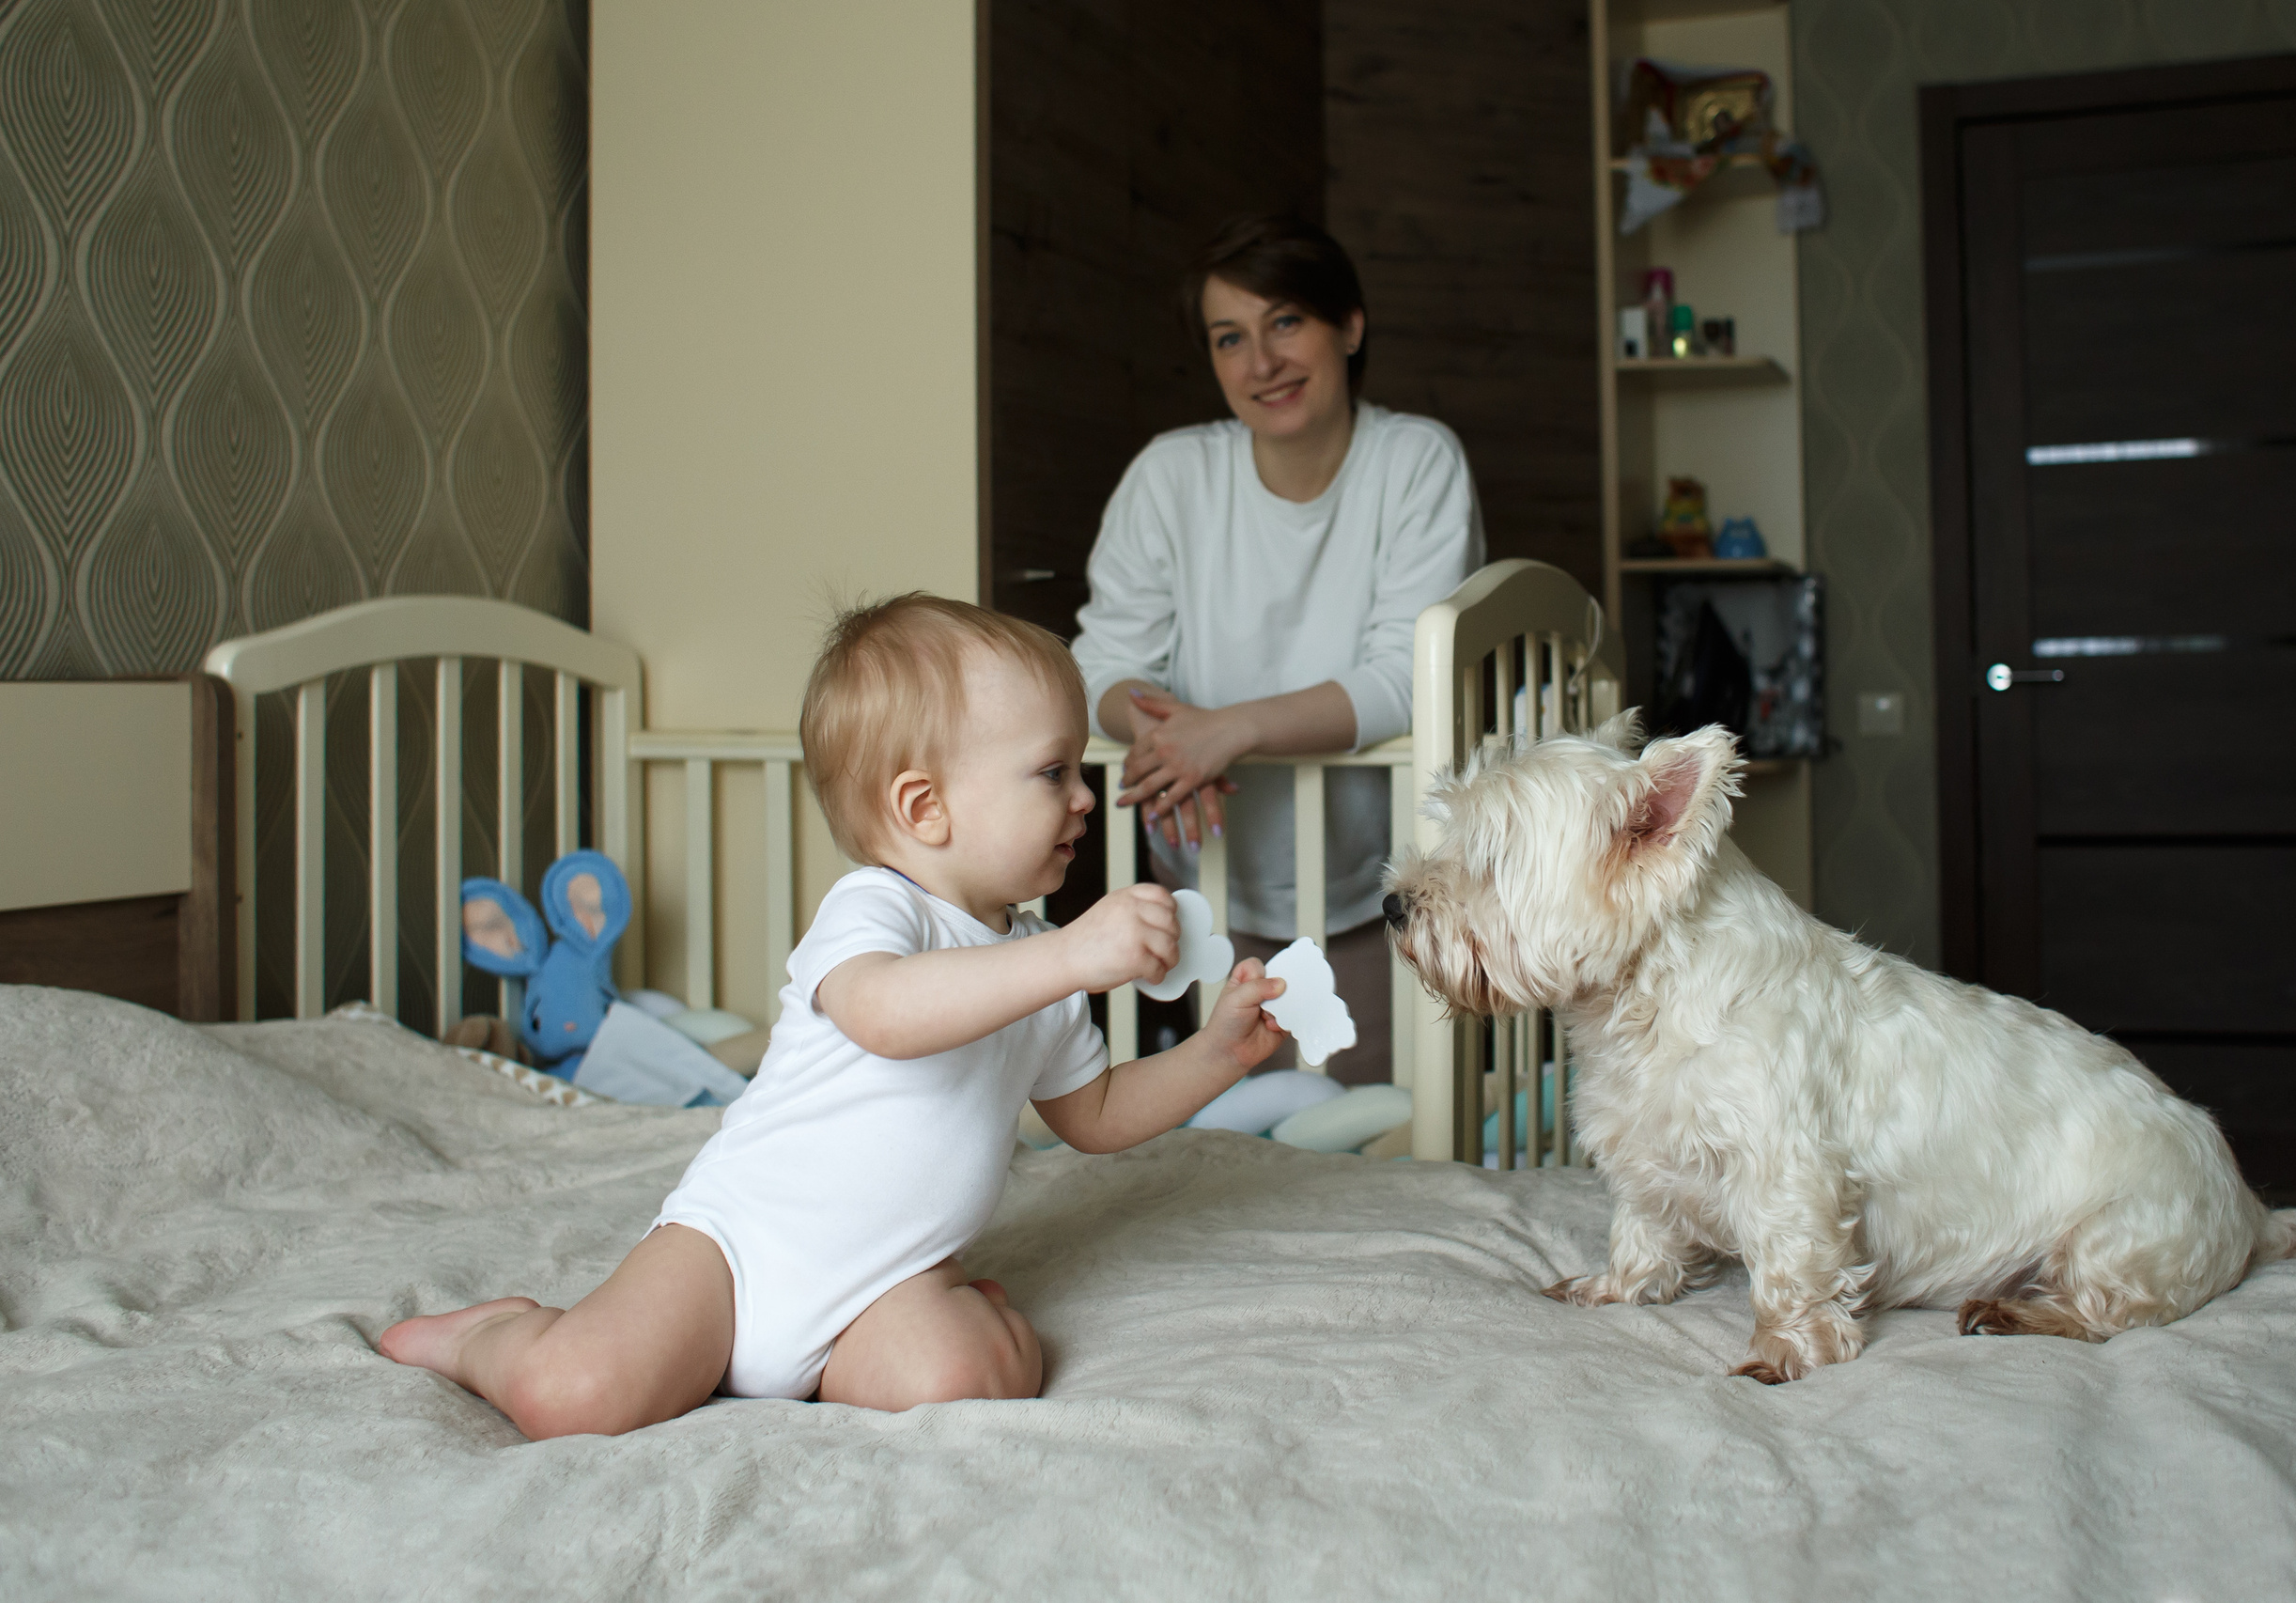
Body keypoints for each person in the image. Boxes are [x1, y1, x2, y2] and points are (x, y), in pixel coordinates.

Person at [378, 595, 1293, 1435]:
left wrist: (1217, 1052)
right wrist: (1068, 957)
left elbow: (1094, 1116)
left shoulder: (1034, 963)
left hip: (886, 1287)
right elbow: (884, 1014)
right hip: (734, 1253)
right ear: (923, 808)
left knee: (963, 1375)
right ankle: (494, 1334)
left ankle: (956, 1313)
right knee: (572, 1394)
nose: (1085, 796)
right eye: (1052, 771)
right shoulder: (879, 908)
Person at [1072, 214, 1484, 1085]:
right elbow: (1102, 663)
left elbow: (1410, 680)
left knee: (1375, 1142)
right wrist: (1164, 734)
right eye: (1231, 338)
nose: (1261, 362)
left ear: (1350, 325)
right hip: (1207, 875)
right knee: (1243, 1152)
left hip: (1373, 887)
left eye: (1287, 322)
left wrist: (1230, 730)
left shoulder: (1415, 462)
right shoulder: (1170, 476)